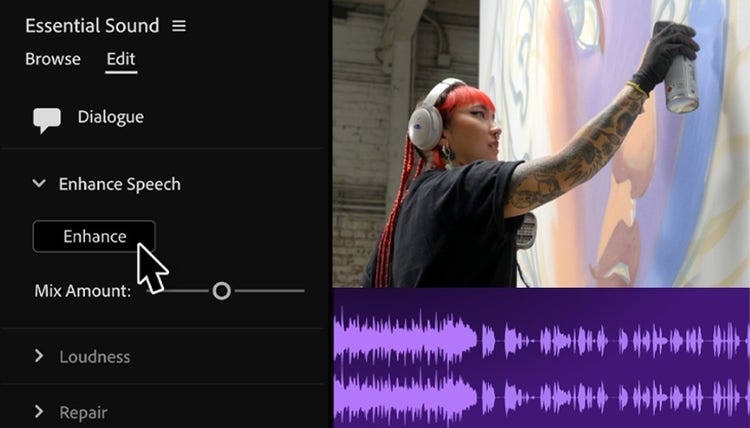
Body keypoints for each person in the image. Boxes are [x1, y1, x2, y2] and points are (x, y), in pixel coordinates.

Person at [360, 21, 700, 288]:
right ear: (439, 132)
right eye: (478, 115)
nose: (496, 129)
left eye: (493, 117)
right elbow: (569, 166)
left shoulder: (402, 216)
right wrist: (642, 82)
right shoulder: (462, 188)